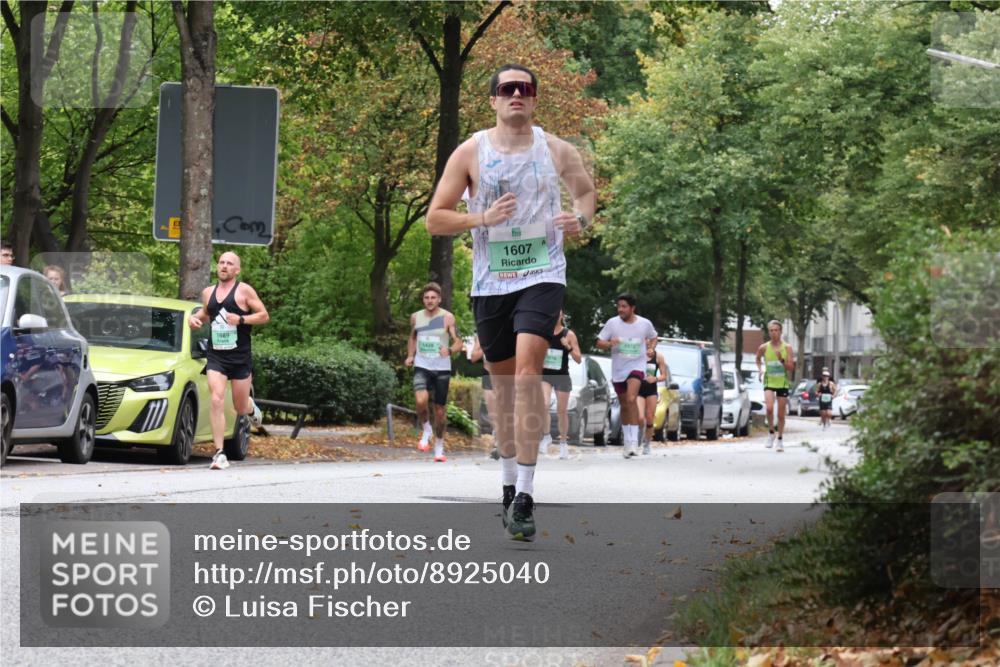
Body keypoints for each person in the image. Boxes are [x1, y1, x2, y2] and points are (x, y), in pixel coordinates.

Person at [426, 63, 596, 541]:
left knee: (527, 375)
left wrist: (579, 220)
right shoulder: (470, 152)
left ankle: (525, 493)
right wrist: (480, 217)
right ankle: (506, 485)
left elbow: (586, 194)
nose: (516, 94)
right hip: (491, 283)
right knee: (503, 395)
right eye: (507, 89)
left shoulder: (557, 150)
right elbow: (435, 219)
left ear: (535, 99)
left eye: (525, 89)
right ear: (494, 100)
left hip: (543, 276)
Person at [188, 252, 268, 469]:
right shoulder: (208, 292)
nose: (224, 266)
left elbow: (263, 315)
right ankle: (219, 453)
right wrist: (194, 319)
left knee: (240, 407)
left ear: (237, 270)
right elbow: (206, 312)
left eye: (229, 263)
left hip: (240, 357)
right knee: (216, 398)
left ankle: (251, 409)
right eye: (221, 262)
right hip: (217, 356)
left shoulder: (244, 290)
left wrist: (241, 319)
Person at [404, 282, 462, 462]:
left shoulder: (448, 318)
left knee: (439, 411)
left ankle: (439, 446)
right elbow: (412, 338)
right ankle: (426, 428)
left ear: (439, 299)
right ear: (423, 300)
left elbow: (458, 342)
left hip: (442, 368)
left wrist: (450, 350)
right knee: (421, 400)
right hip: (422, 365)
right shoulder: (416, 317)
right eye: (426, 298)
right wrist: (410, 355)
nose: (429, 301)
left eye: (433, 298)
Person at [596, 293, 658, 458]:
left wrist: (651, 348)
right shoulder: (612, 323)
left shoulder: (644, 324)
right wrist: (610, 343)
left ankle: (632, 442)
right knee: (624, 404)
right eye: (619, 306)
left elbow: (654, 336)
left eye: (624, 306)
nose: (620, 309)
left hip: (637, 367)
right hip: (619, 369)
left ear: (632, 308)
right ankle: (627, 442)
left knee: (631, 398)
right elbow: (599, 342)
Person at [540, 311, 582, 460]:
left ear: (561, 317)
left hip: (561, 375)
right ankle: (546, 436)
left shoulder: (568, 334)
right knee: (543, 405)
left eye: (557, 314)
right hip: (545, 374)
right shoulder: (543, 332)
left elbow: (578, 359)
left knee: (561, 411)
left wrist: (568, 347)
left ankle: (563, 443)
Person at [755, 320, 795, 452]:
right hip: (769, 381)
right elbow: (758, 359)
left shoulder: (787, 347)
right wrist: (760, 369)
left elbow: (791, 368)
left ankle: (780, 439)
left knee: (781, 415)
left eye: (776, 330)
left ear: (780, 331)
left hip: (782, 382)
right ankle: (771, 433)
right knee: (770, 408)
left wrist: (781, 360)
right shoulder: (764, 347)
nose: (774, 333)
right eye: (771, 330)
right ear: (769, 332)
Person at [469, 334, 500, 460]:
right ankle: (499, 441)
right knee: (493, 414)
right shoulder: (482, 334)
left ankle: (502, 443)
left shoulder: (508, 329)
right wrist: (486, 346)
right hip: (488, 375)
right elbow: (473, 357)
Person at [637, 341, 668, 455]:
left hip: (651, 390)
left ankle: (647, 444)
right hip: (638, 389)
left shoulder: (658, 356)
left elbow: (664, 375)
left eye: (652, 341)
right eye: (646, 340)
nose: (648, 343)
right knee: (640, 417)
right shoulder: (638, 355)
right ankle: (639, 436)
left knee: (650, 417)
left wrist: (655, 379)